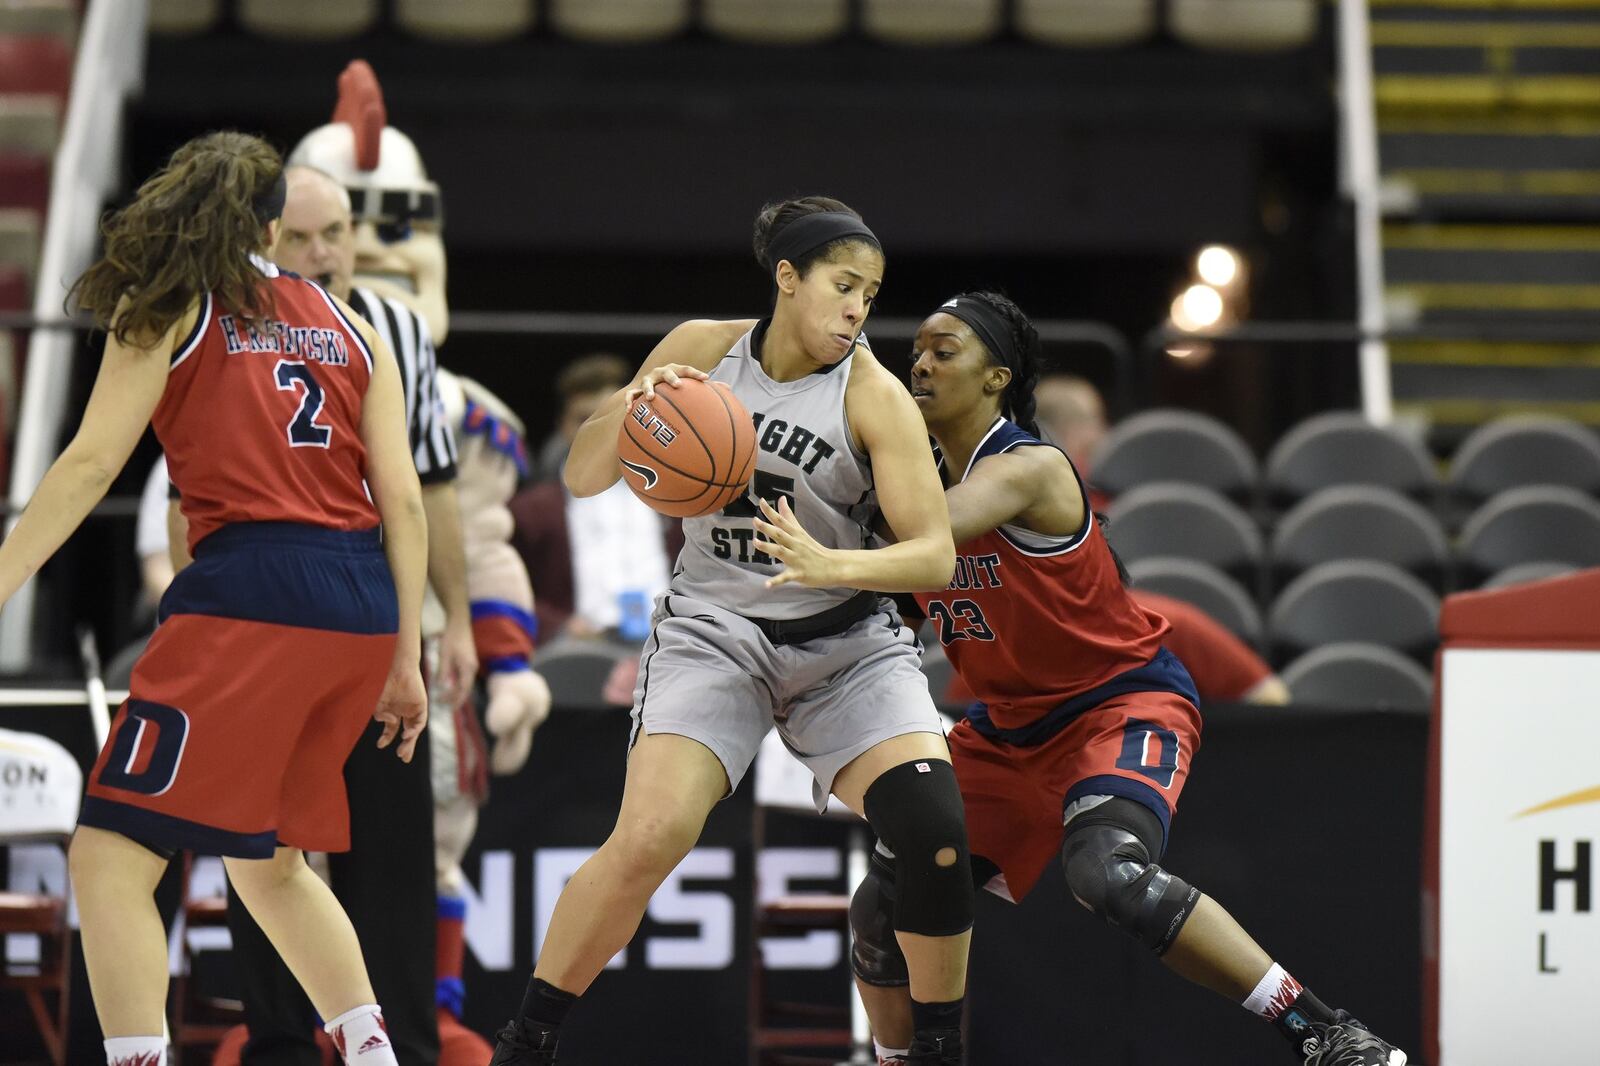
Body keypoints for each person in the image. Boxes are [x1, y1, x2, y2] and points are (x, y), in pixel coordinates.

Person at [851, 291, 1406, 1065]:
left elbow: (927, 534)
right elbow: (892, 618)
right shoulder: (917, 485)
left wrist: (824, 486)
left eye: (944, 352)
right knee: (882, 904)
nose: (920, 364)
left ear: (997, 377)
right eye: (915, 351)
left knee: (1109, 874)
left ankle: (1323, 1031)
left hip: (1118, 703)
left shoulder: (1031, 468)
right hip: (1008, 730)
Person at [489, 196, 973, 1066]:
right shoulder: (702, 351)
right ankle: (525, 1043)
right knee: (650, 838)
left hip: (846, 643)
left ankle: (933, 1053)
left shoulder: (875, 397)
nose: (858, 310)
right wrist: (634, 404)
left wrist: (833, 565)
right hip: (716, 633)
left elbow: (934, 556)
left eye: (869, 294)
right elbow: (585, 475)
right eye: (843, 286)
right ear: (787, 278)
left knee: (935, 833)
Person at [0, 131, 427, 1066]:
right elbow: (400, 499)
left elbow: (90, 467)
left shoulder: (168, 306)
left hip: (252, 595)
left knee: (109, 857)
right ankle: (374, 1055)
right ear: (272, 227)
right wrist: (406, 657)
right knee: (271, 865)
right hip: (361, 605)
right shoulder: (352, 325)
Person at [199, 156, 471, 1066]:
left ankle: (395, 1046)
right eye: (302, 236)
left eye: (338, 233)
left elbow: (428, 491)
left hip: (357, 617)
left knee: (375, 851)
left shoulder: (390, 328)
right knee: (263, 848)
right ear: (266, 238)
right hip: (296, 615)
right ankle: (286, 1043)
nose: (323, 253)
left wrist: (453, 621)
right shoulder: (226, 320)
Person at [511, 353, 680, 641]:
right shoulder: (531, 512)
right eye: (584, 419)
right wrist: (559, 626)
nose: (599, 428)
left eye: (611, 414)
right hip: (576, 648)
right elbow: (506, 593)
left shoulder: (678, 498)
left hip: (668, 641)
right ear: (562, 425)